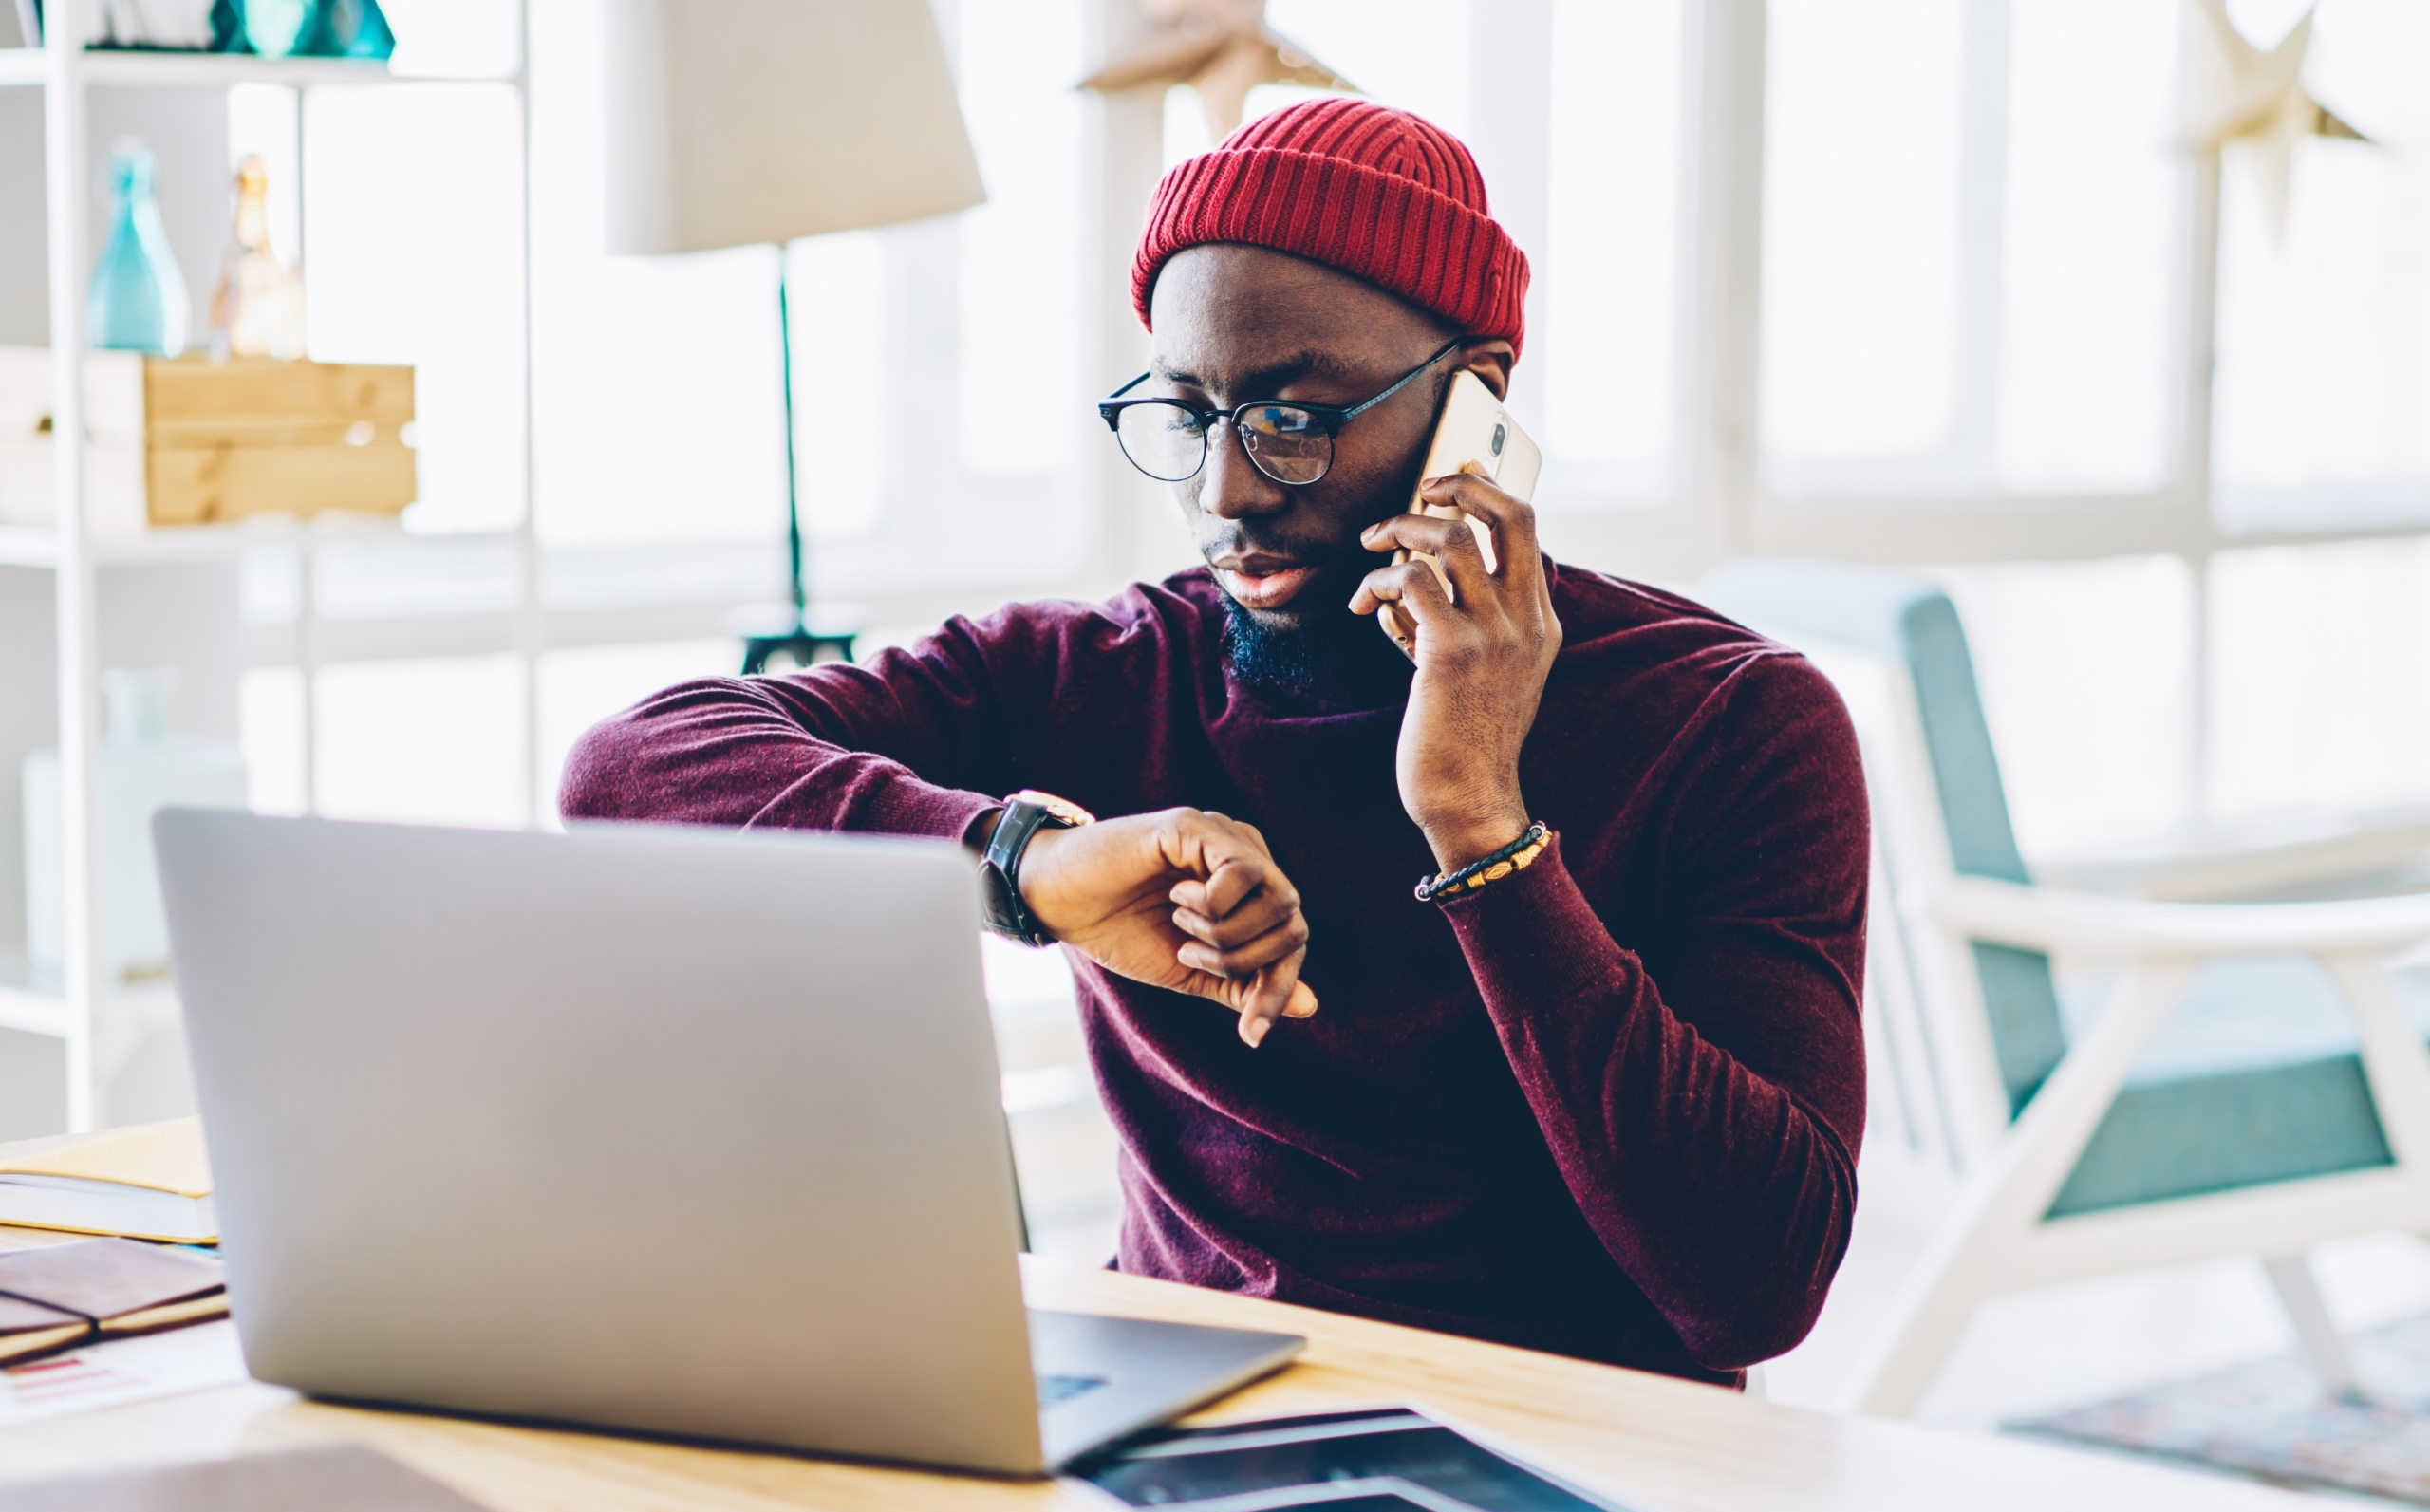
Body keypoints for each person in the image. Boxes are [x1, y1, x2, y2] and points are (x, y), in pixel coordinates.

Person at [561, 99, 1868, 1387]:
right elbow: (626, 768)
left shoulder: (1734, 720)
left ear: (1476, 407)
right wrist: (1027, 864)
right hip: (1184, 1420)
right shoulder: (1108, 672)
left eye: (1295, 418)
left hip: (1577, 1466)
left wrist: (1480, 823)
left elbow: (1752, 1288)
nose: (1223, 494)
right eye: (1187, 414)